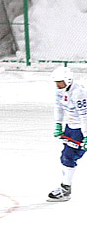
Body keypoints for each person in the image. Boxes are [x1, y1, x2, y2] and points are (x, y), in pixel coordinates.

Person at [48, 66, 87, 202]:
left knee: (68, 157)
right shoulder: (60, 91)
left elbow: (84, 116)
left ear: (68, 80)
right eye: (56, 82)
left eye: (60, 82)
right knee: (66, 157)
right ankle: (65, 187)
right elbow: (58, 107)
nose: (58, 85)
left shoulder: (79, 93)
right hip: (70, 128)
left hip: (80, 130)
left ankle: (65, 189)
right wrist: (58, 124)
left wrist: (86, 135)